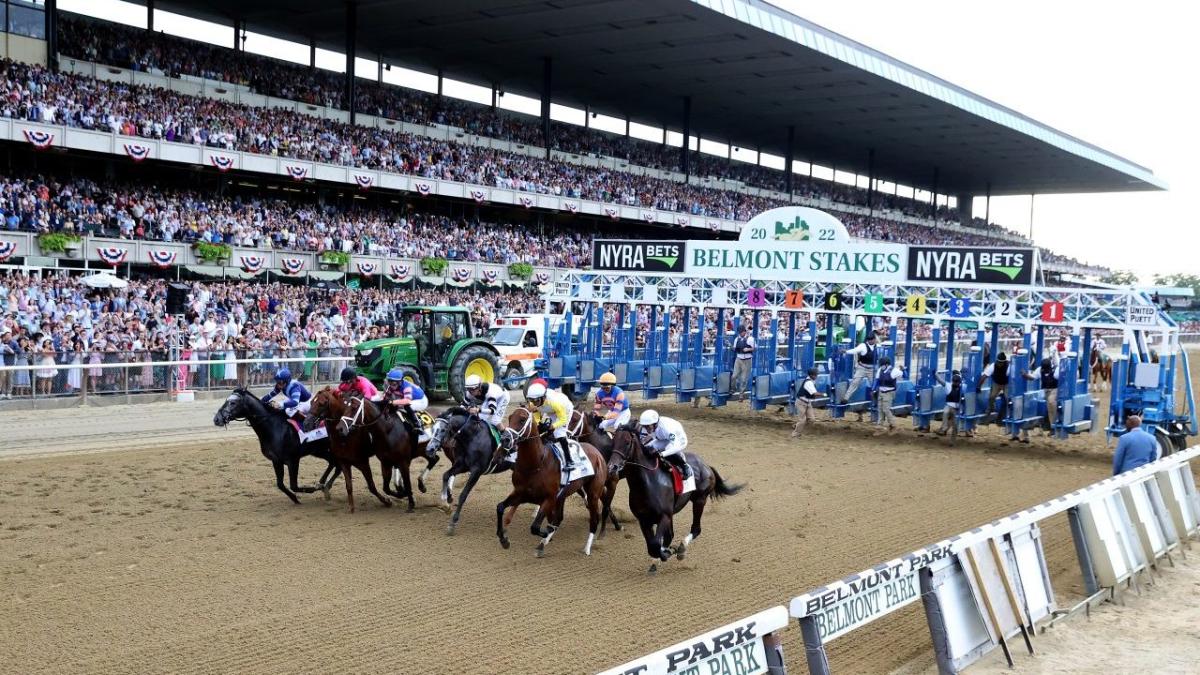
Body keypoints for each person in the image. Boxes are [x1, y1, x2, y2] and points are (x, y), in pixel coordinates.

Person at [526, 381, 575, 471]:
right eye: (531, 400)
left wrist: (551, 426)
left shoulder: (555, 402)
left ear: (543, 397)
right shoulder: (534, 401)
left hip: (565, 410)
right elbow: (536, 412)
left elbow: (563, 420)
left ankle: (569, 461)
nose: (534, 403)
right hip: (550, 411)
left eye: (536, 401)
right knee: (539, 430)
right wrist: (538, 423)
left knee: (559, 433)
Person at [638, 409, 692, 480]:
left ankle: (684, 465)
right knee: (648, 447)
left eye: (647, 426)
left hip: (678, 440)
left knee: (667, 450)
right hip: (663, 438)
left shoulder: (666, 429)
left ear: (655, 424)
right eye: (644, 426)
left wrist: (662, 454)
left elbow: (675, 445)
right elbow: (646, 438)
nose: (646, 429)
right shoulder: (652, 425)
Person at [379, 368, 429, 441]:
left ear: (400, 382)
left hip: (421, 401)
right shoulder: (391, 386)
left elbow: (407, 401)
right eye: (389, 381)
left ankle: (418, 425)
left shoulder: (406, 386)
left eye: (393, 382)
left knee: (406, 405)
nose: (391, 384)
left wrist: (393, 402)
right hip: (411, 399)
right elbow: (386, 398)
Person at [841, 333, 878, 404]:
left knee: (874, 385)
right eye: (869, 340)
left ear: (874, 339)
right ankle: (846, 398)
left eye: (871, 339)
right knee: (854, 382)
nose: (870, 341)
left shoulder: (877, 346)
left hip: (872, 369)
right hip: (862, 368)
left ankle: (876, 402)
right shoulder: (863, 346)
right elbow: (855, 350)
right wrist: (846, 351)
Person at [873, 357, 904, 436]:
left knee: (886, 409)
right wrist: (873, 390)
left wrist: (903, 369)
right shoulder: (880, 370)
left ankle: (894, 426)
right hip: (881, 392)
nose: (881, 366)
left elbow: (904, 374)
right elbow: (877, 381)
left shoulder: (894, 371)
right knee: (880, 409)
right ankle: (880, 427)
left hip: (889, 393)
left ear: (887, 364)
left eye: (882, 365)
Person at [935, 371, 964, 442]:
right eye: (954, 381)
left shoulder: (963, 386)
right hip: (949, 406)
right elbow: (940, 381)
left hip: (957, 409)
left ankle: (952, 440)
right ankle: (944, 428)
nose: (955, 383)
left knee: (955, 425)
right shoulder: (948, 385)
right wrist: (936, 374)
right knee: (945, 412)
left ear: (960, 382)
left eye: (957, 381)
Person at [791, 367, 820, 438]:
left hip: (807, 403)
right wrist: (824, 394)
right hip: (801, 402)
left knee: (812, 419)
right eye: (816, 375)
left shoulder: (811, 380)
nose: (817, 376)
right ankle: (795, 434)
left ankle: (797, 425)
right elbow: (814, 393)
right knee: (802, 420)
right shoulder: (808, 382)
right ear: (812, 375)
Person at [981, 352, 1010, 424]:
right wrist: (979, 386)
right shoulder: (993, 366)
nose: (999, 364)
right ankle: (990, 409)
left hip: (1006, 384)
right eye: (998, 362)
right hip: (996, 383)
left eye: (1001, 362)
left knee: (1008, 398)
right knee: (992, 397)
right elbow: (984, 376)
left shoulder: (1009, 366)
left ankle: (1008, 413)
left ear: (1004, 362)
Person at [731, 324, 754, 401]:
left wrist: (748, 349)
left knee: (744, 379)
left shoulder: (750, 339)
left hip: (747, 360)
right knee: (734, 376)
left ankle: (741, 394)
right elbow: (734, 348)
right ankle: (733, 388)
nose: (741, 333)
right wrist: (733, 348)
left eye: (742, 332)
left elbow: (754, 348)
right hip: (739, 359)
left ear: (745, 331)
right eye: (740, 332)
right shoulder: (736, 339)